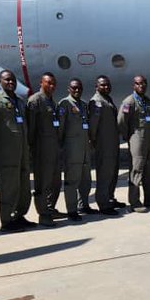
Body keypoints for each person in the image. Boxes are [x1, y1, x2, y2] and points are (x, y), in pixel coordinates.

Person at [0, 70, 33, 232]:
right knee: (8, 185)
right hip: (7, 151)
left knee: (24, 184)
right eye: (7, 80)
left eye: (13, 80)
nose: (11, 82)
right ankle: (6, 219)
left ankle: (20, 215)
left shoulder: (19, 101)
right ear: (0, 82)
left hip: (22, 150)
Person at [118, 75, 150, 212]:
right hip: (137, 137)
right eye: (138, 84)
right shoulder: (129, 102)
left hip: (149, 138)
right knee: (137, 169)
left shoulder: (148, 102)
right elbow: (121, 122)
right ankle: (135, 201)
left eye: (143, 83)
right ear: (134, 86)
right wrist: (129, 136)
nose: (141, 86)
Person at [27, 72, 63, 227]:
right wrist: (33, 149)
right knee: (43, 183)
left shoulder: (51, 101)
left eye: (54, 83)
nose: (52, 86)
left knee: (55, 181)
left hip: (54, 149)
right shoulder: (36, 101)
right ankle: (43, 214)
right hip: (42, 150)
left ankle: (50, 208)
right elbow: (31, 128)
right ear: (41, 83)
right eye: (48, 83)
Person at [88, 75, 122, 215]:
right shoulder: (96, 102)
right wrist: (94, 141)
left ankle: (110, 197)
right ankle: (103, 203)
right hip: (104, 144)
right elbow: (93, 125)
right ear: (97, 87)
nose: (106, 87)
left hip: (112, 143)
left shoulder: (107, 99)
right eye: (102, 85)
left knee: (113, 172)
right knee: (104, 173)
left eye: (107, 85)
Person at [58, 78, 90, 221]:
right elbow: (60, 129)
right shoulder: (64, 104)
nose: (77, 90)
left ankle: (84, 204)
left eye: (79, 88)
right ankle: (71, 210)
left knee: (85, 179)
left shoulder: (83, 105)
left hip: (84, 148)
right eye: (74, 88)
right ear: (68, 89)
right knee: (72, 181)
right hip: (72, 149)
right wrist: (62, 148)